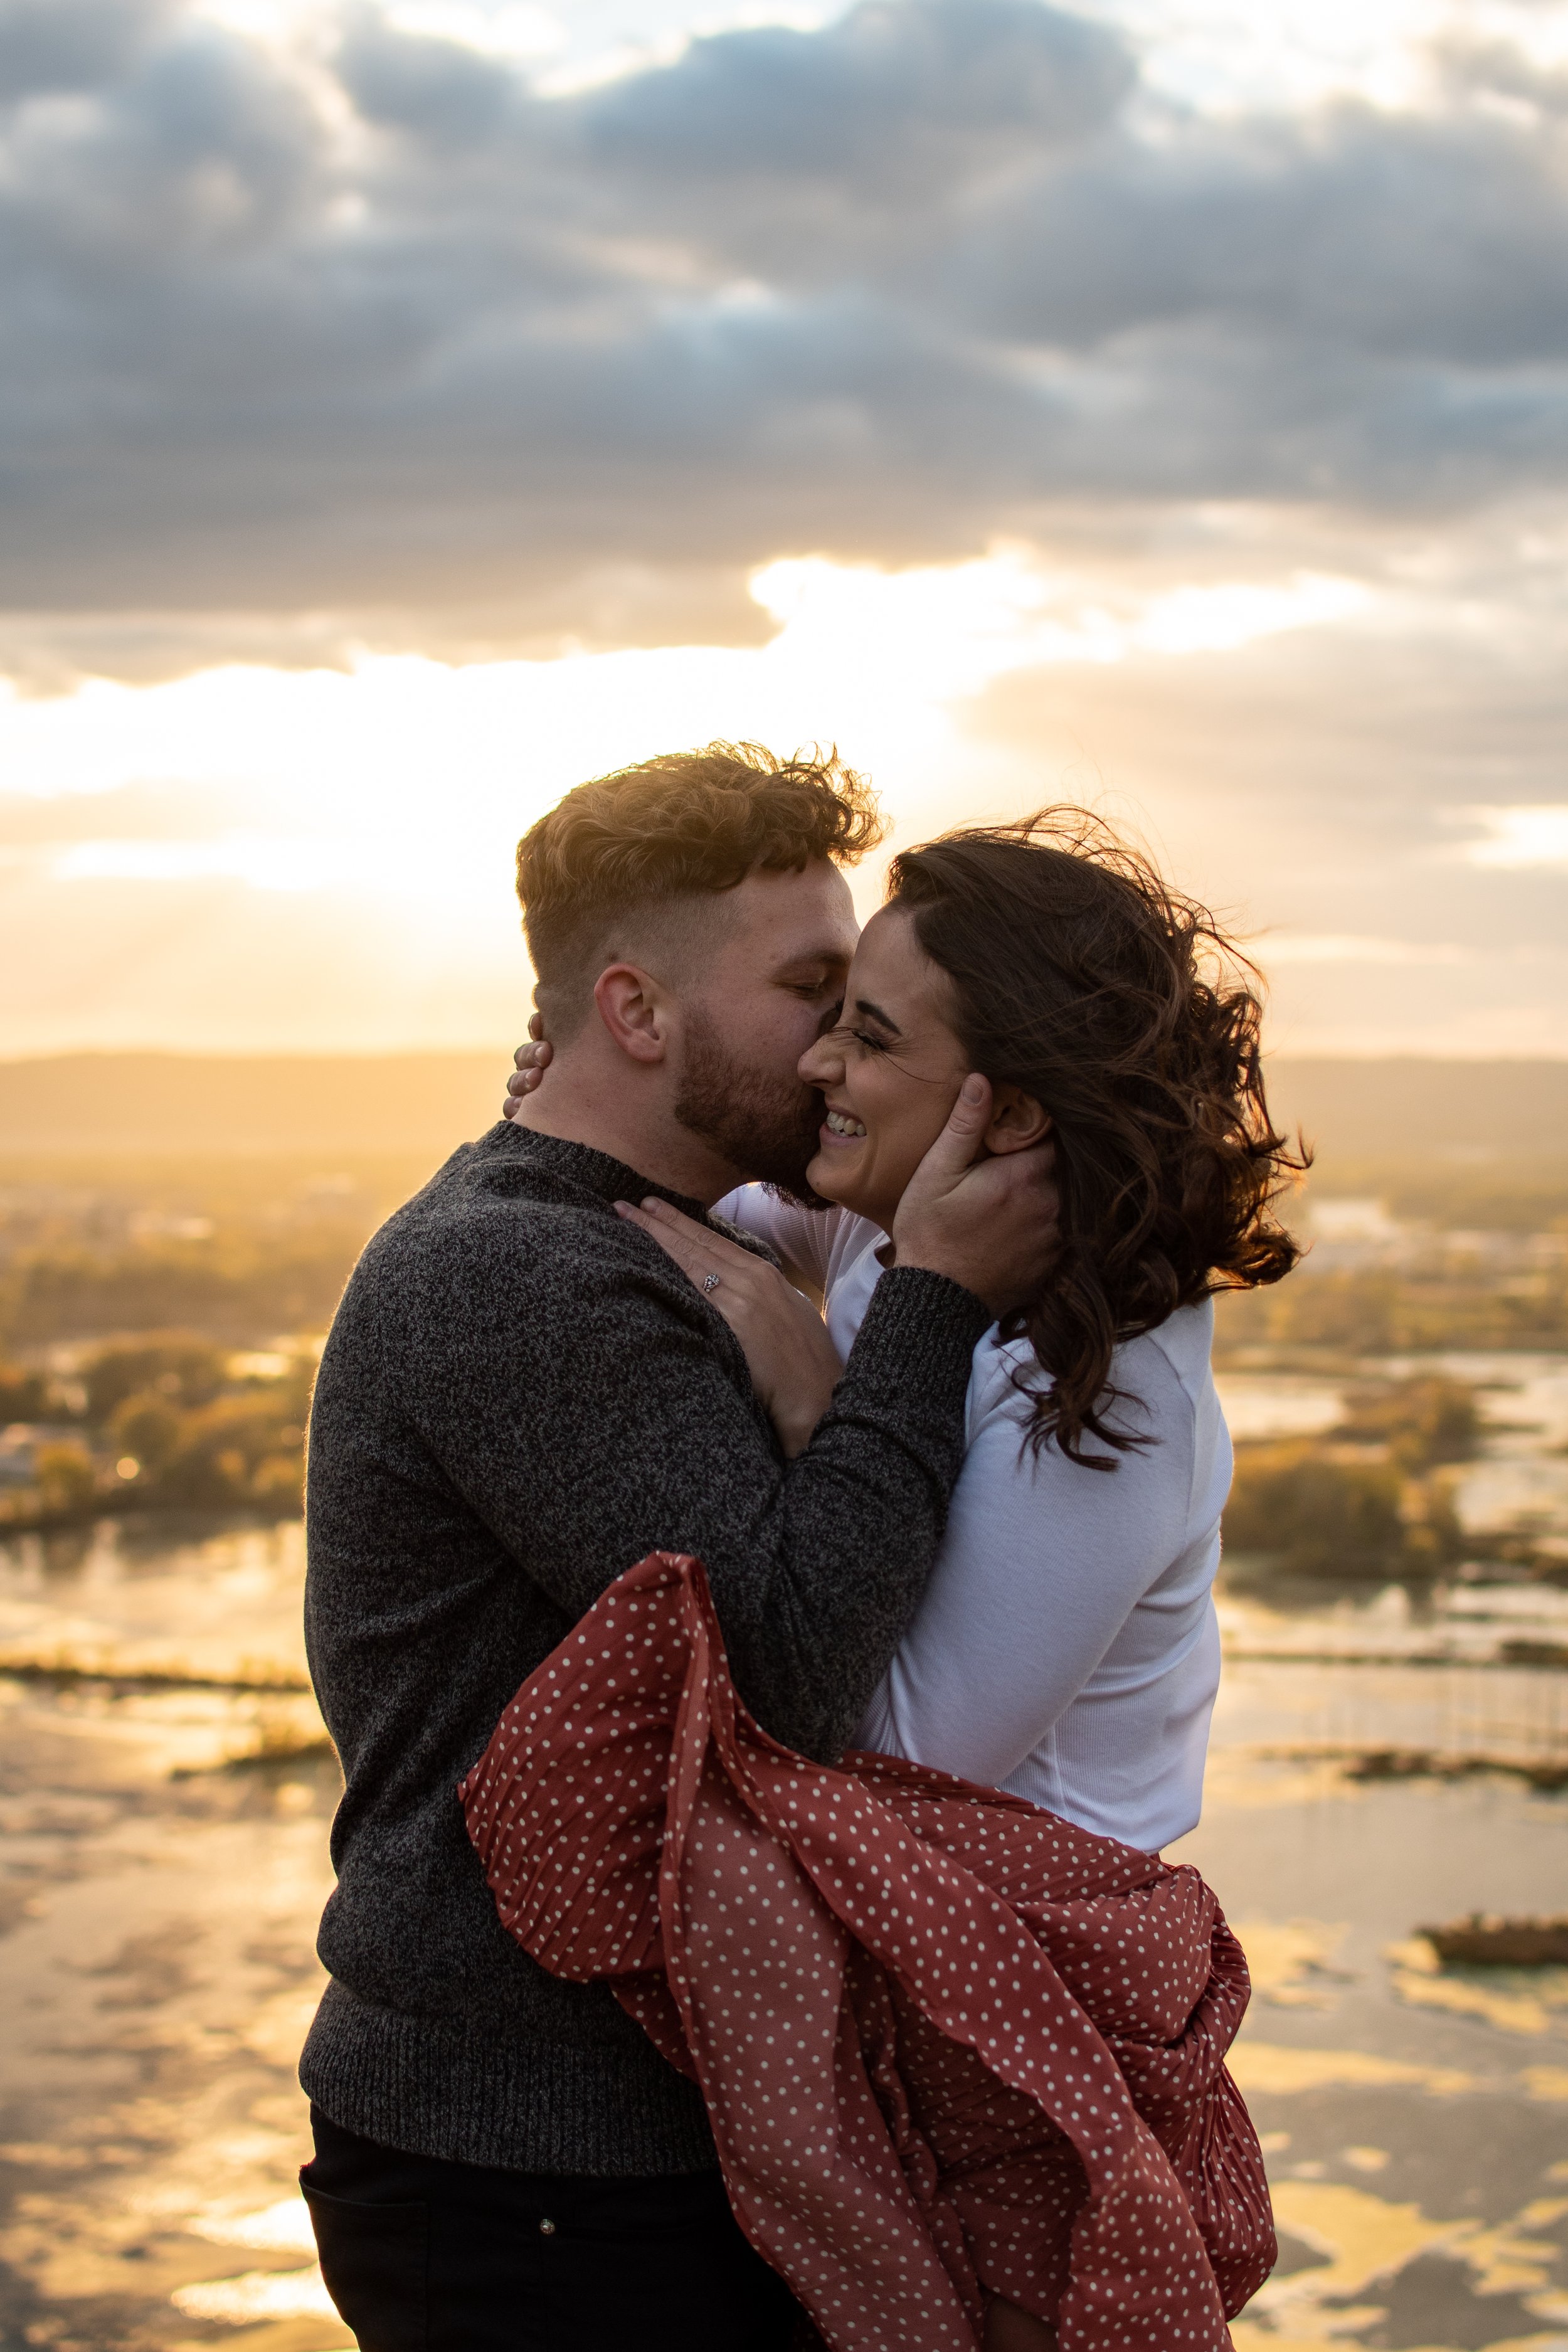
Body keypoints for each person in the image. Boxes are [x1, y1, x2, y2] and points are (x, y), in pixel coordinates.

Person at [297, 743, 1059, 2352]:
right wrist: (932, 1302)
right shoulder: (520, 1276)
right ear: (638, 1014)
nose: (843, 1050)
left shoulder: (636, 1231)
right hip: (531, 2170)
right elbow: (779, 1659)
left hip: (604, 2148)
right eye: (810, 992)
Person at [509, 807, 1303, 1856]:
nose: (817, 1063)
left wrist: (824, 1399)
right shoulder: (879, 1222)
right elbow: (675, 1211)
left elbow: (890, 1756)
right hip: (896, 1914)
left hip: (1024, 1951)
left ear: (1009, 1116)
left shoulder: (1110, 1390)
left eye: (870, 1036)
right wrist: (588, 1099)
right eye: (827, 1011)